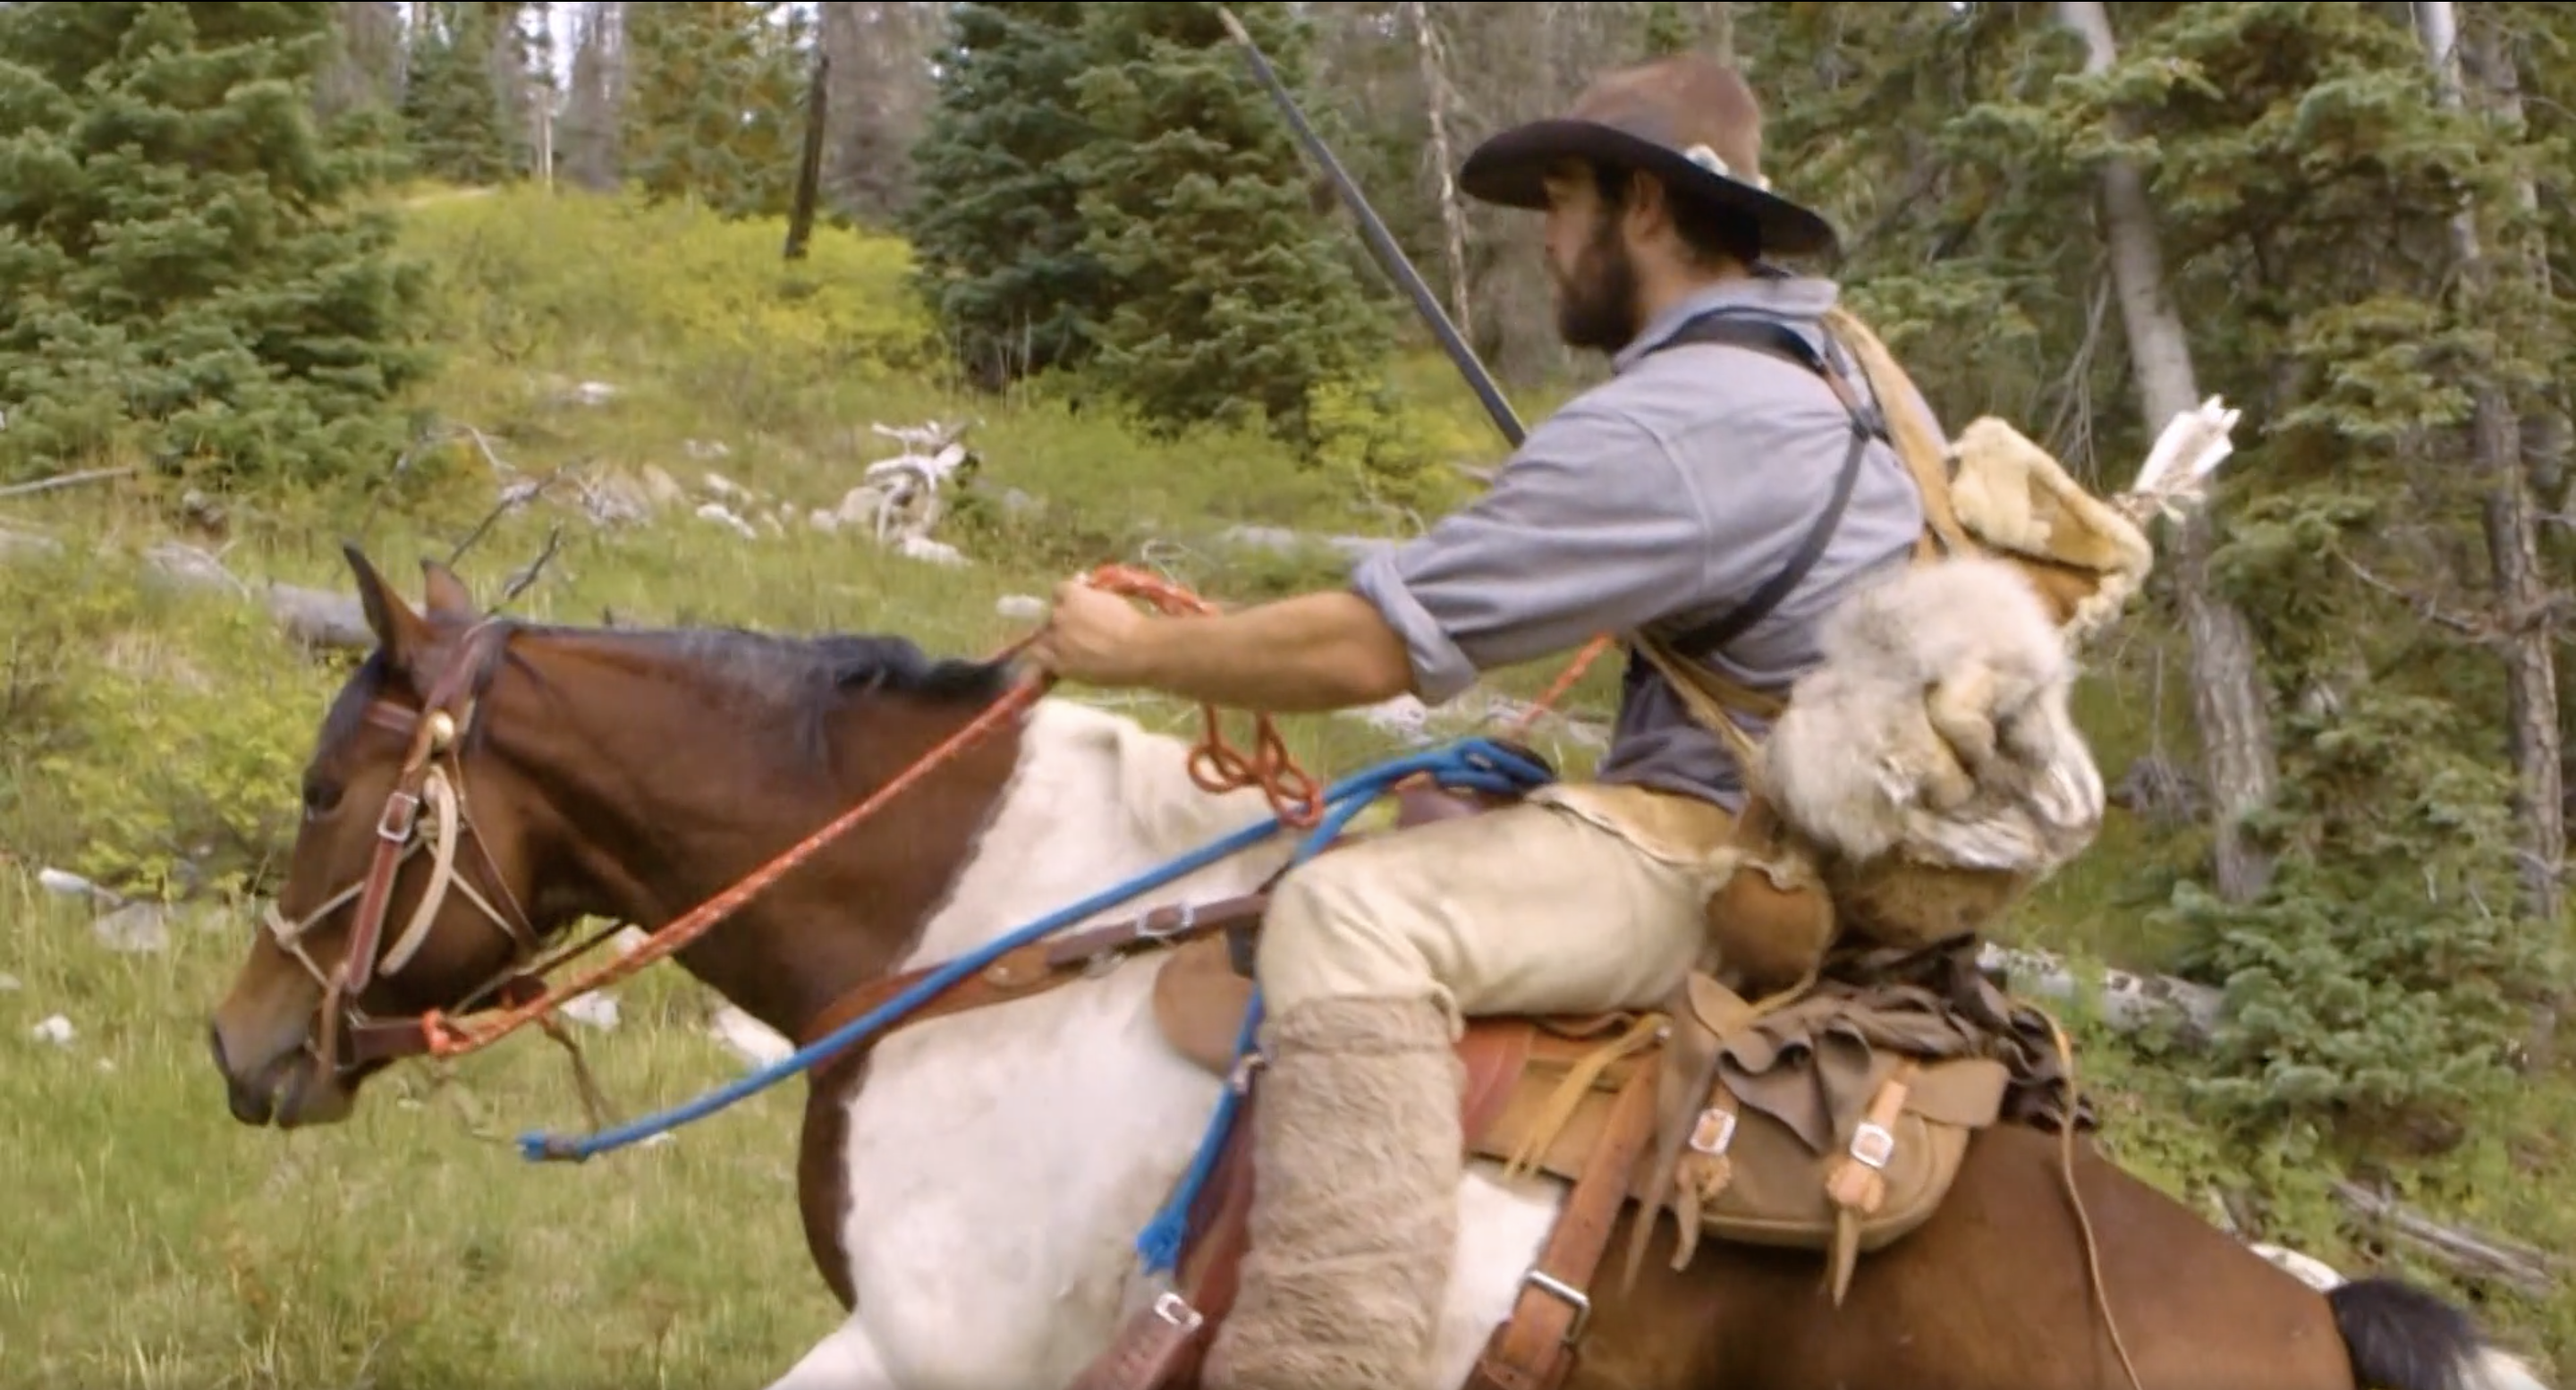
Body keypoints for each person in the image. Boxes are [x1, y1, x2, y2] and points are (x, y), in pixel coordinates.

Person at [1024, 51, 1929, 1390]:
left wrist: (1139, 651)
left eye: (1562, 200)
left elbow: (1373, 643)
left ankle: (1325, 1360)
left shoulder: (1678, 422)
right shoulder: (1840, 374)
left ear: (1643, 207)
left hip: (1731, 858)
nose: (1546, 240)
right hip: (1848, 854)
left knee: (1349, 914)